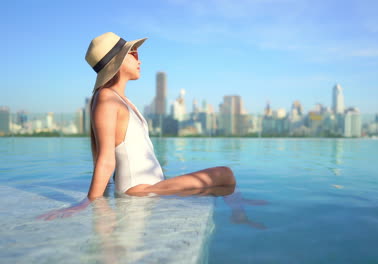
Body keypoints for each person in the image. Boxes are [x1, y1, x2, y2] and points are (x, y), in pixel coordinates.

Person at [38, 32, 236, 220]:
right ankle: (239, 212)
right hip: (139, 190)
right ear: (119, 61)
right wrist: (88, 201)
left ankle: (239, 209)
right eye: (133, 54)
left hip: (151, 187)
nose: (139, 60)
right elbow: (106, 158)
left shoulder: (122, 100)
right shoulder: (106, 98)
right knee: (225, 174)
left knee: (222, 181)